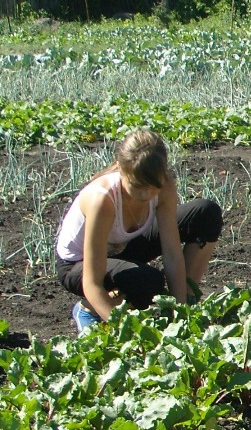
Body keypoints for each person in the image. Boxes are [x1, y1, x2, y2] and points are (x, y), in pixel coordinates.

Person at [57, 128, 222, 335]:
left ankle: (186, 303)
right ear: (121, 170)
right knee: (147, 282)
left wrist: (181, 314)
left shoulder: (165, 185)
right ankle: (90, 311)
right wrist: (128, 332)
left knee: (205, 213)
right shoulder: (103, 201)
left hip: (122, 248)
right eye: (137, 186)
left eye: (153, 187)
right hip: (78, 265)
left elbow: (172, 252)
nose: (145, 195)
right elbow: (92, 282)